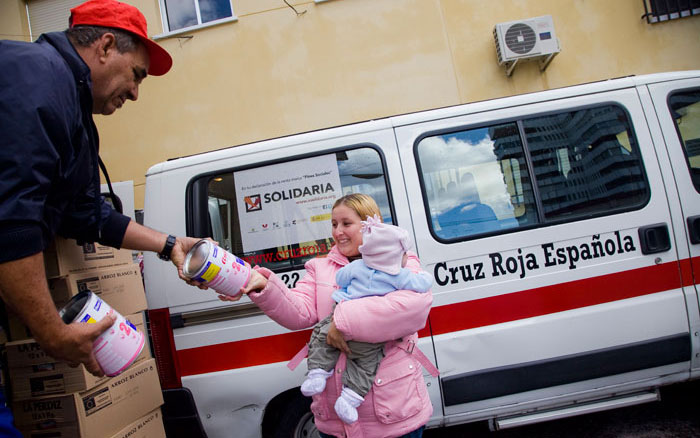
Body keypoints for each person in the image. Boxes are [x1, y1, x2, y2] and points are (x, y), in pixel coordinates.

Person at [0, 0, 199, 389]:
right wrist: (53, 333)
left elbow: (85, 214)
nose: (136, 94)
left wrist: (170, 244)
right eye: (137, 76)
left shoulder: (69, 102)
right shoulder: (37, 83)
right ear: (106, 46)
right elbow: (12, 223)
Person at [221, 193, 434, 438]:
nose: (338, 232)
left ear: (367, 224)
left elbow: (412, 308)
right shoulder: (319, 267)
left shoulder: (401, 260)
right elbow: (298, 313)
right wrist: (263, 285)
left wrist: (339, 322)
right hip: (335, 421)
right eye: (334, 224)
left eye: (346, 223)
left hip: (394, 414)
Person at [301, 214, 433, 424]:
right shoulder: (399, 275)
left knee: (320, 336)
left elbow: (341, 278)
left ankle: (317, 373)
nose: (338, 230)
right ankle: (350, 398)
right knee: (365, 365)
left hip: (340, 312)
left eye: (345, 223)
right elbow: (423, 283)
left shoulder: (357, 267)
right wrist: (425, 275)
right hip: (369, 336)